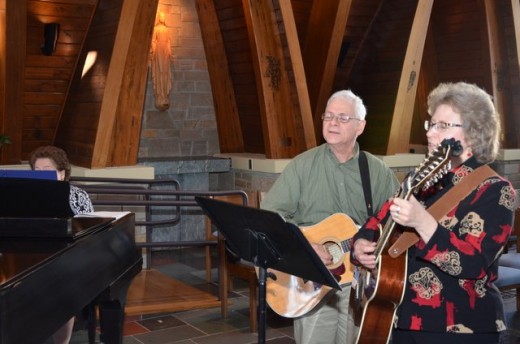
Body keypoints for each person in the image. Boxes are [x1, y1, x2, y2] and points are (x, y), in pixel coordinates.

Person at [351, 82, 515, 344]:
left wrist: (422, 221)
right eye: (431, 124)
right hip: (399, 313)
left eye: (443, 126)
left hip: (459, 326)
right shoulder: (420, 179)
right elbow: (378, 218)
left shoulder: (494, 190)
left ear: (473, 134)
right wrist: (361, 243)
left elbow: (473, 264)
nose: (431, 133)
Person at [260, 89, 400, 344]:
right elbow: (270, 217)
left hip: (361, 281)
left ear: (361, 126)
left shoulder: (376, 170)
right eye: (328, 116)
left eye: (343, 118)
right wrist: (305, 245)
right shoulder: (302, 165)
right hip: (313, 278)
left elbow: (395, 219)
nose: (333, 122)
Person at [29, 145, 94, 344]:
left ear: (61, 173)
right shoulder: (24, 194)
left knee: (63, 288)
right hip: (30, 258)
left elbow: (88, 233)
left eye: (47, 170)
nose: (41, 176)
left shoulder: (77, 196)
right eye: (36, 171)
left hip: (67, 259)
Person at [150, 11, 173, 111]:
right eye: (161, 16)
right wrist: (154, 50)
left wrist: (169, 52)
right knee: (159, 71)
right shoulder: (156, 29)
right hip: (159, 48)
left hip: (165, 50)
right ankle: (159, 95)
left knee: (165, 72)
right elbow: (153, 40)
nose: (162, 18)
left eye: (164, 16)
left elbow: (168, 41)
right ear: (159, 18)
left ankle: (165, 94)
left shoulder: (167, 30)